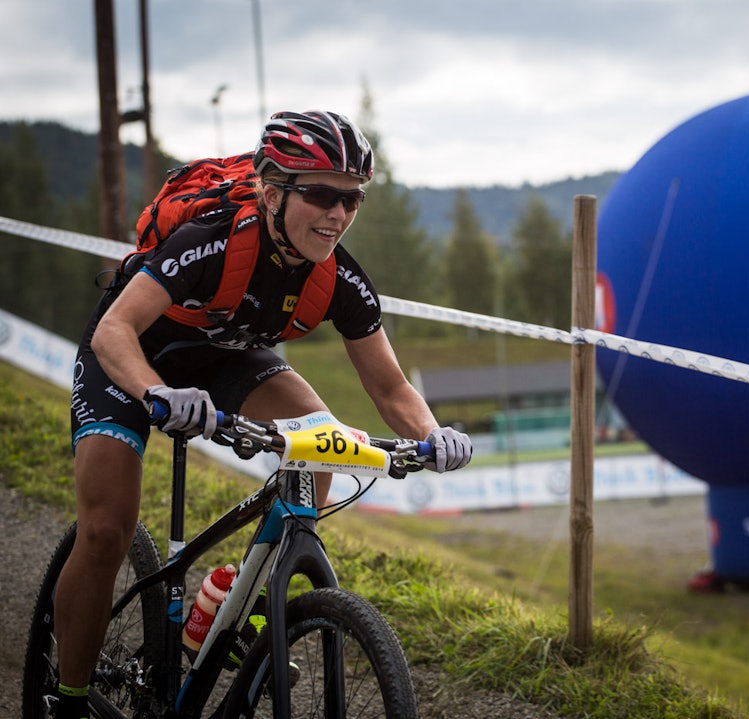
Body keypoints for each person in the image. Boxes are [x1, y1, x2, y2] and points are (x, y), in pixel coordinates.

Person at [54, 110, 472, 719]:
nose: (338, 213)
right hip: (136, 359)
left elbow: (390, 387)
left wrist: (434, 435)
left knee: (321, 442)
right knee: (104, 531)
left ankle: (238, 604)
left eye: (352, 199)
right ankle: (66, 699)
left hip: (224, 359)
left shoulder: (340, 277)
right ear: (272, 193)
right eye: (322, 195)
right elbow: (115, 329)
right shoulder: (213, 240)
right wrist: (155, 394)